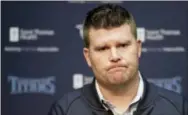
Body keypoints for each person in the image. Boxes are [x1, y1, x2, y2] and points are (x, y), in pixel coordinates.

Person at [48, 4, 188, 115]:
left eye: (123, 45)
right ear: (88, 57)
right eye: (102, 48)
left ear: (138, 48)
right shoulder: (65, 110)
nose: (114, 56)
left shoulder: (177, 108)